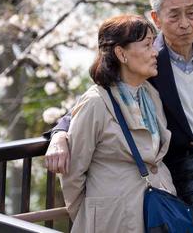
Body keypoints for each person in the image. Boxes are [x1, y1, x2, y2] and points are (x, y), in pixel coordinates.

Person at [49, 0, 193, 232]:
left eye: (191, 13)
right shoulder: (149, 61)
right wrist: (60, 133)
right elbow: (100, 97)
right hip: (179, 192)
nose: (185, 24)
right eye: (174, 16)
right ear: (156, 18)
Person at [60, 14, 181, 233]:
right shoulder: (96, 102)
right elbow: (73, 174)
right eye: (146, 45)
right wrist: (95, 215)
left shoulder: (151, 94)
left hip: (155, 215)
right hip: (113, 221)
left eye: (153, 44)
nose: (155, 53)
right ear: (121, 53)